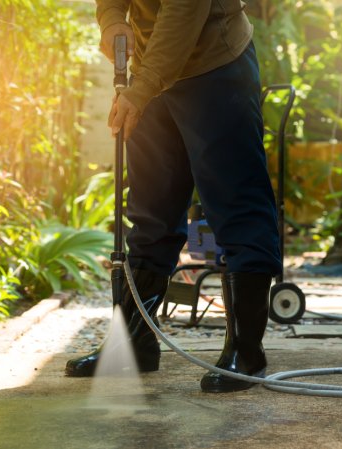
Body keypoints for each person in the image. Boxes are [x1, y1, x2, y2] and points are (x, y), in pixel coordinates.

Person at [65, 0, 282, 393]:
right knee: (151, 209)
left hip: (213, 66)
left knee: (237, 204)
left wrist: (142, 87)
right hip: (152, 73)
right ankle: (133, 344)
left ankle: (246, 352)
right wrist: (112, 20)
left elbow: (185, 11)